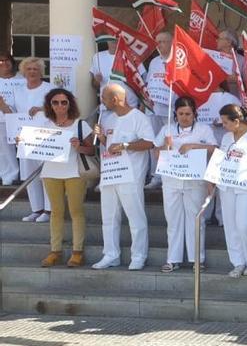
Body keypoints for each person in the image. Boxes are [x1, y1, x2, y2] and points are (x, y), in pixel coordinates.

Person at [91, 84, 155, 270]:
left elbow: (149, 143)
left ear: (116, 99)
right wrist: (101, 137)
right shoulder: (108, 118)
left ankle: (138, 256)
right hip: (110, 173)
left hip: (131, 175)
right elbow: (109, 144)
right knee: (109, 217)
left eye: (103, 98)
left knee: (135, 216)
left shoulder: (138, 118)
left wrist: (126, 145)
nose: (101, 101)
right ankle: (110, 254)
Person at [153, 97, 217, 272]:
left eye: (188, 114)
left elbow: (214, 149)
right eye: (181, 113)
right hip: (171, 181)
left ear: (194, 114)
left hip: (195, 181)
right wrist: (164, 147)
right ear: (175, 113)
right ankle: (172, 259)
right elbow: (156, 153)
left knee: (196, 220)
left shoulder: (203, 129)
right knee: (173, 220)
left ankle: (197, 259)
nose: (184, 117)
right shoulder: (168, 129)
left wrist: (193, 146)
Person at [38, 89, 95, 267]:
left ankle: (77, 251)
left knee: (76, 211)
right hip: (50, 172)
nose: (60, 106)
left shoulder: (80, 125)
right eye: (56, 102)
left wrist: (79, 147)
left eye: (64, 102)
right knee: (56, 212)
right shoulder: (45, 123)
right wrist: (22, 141)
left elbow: (92, 150)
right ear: (50, 104)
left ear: (70, 104)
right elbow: (33, 144)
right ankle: (55, 251)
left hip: (74, 173)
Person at [212, 104, 247, 277]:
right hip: (227, 186)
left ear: (236, 121)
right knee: (230, 225)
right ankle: (238, 262)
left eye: (226, 122)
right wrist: (211, 180)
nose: (223, 126)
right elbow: (220, 159)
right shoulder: (227, 137)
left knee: (243, 224)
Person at [15, 57, 53, 222]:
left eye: (35, 69)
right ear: (24, 72)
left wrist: (42, 108)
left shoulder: (49, 89)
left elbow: (60, 107)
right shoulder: (19, 90)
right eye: (29, 69)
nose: (32, 72)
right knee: (30, 175)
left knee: (45, 173)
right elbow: (15, 114)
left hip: (45, 137)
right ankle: (36, 209)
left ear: (41, 72)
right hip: (25, 138)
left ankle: (48, 210)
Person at [144, 31, 174, 190]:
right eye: (157, 42)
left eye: (163, 41)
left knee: (170, 142)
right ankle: (156, 176)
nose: (159, 45)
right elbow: (149, 82)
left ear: (171, 42)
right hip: (153, 108)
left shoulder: (178, 60)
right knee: (154, 142)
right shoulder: (154, 61)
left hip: (171, 109)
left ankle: (168, 173)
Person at [0, 52, 20, 184]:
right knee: (4, 150)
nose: (4, 63)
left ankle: (17, 176)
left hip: (19, 119)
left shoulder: (22, 80)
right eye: (0, 61)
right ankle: (7, 177)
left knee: (20, 149)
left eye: (7, 60)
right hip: (1, 120)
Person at [216, 29, 246, 99]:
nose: (216, 40)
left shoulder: (242, 61)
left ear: (229, 42)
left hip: (236, 102)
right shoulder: (213, 58)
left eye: (219, 39)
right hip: (217, 101)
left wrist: (237, 79)